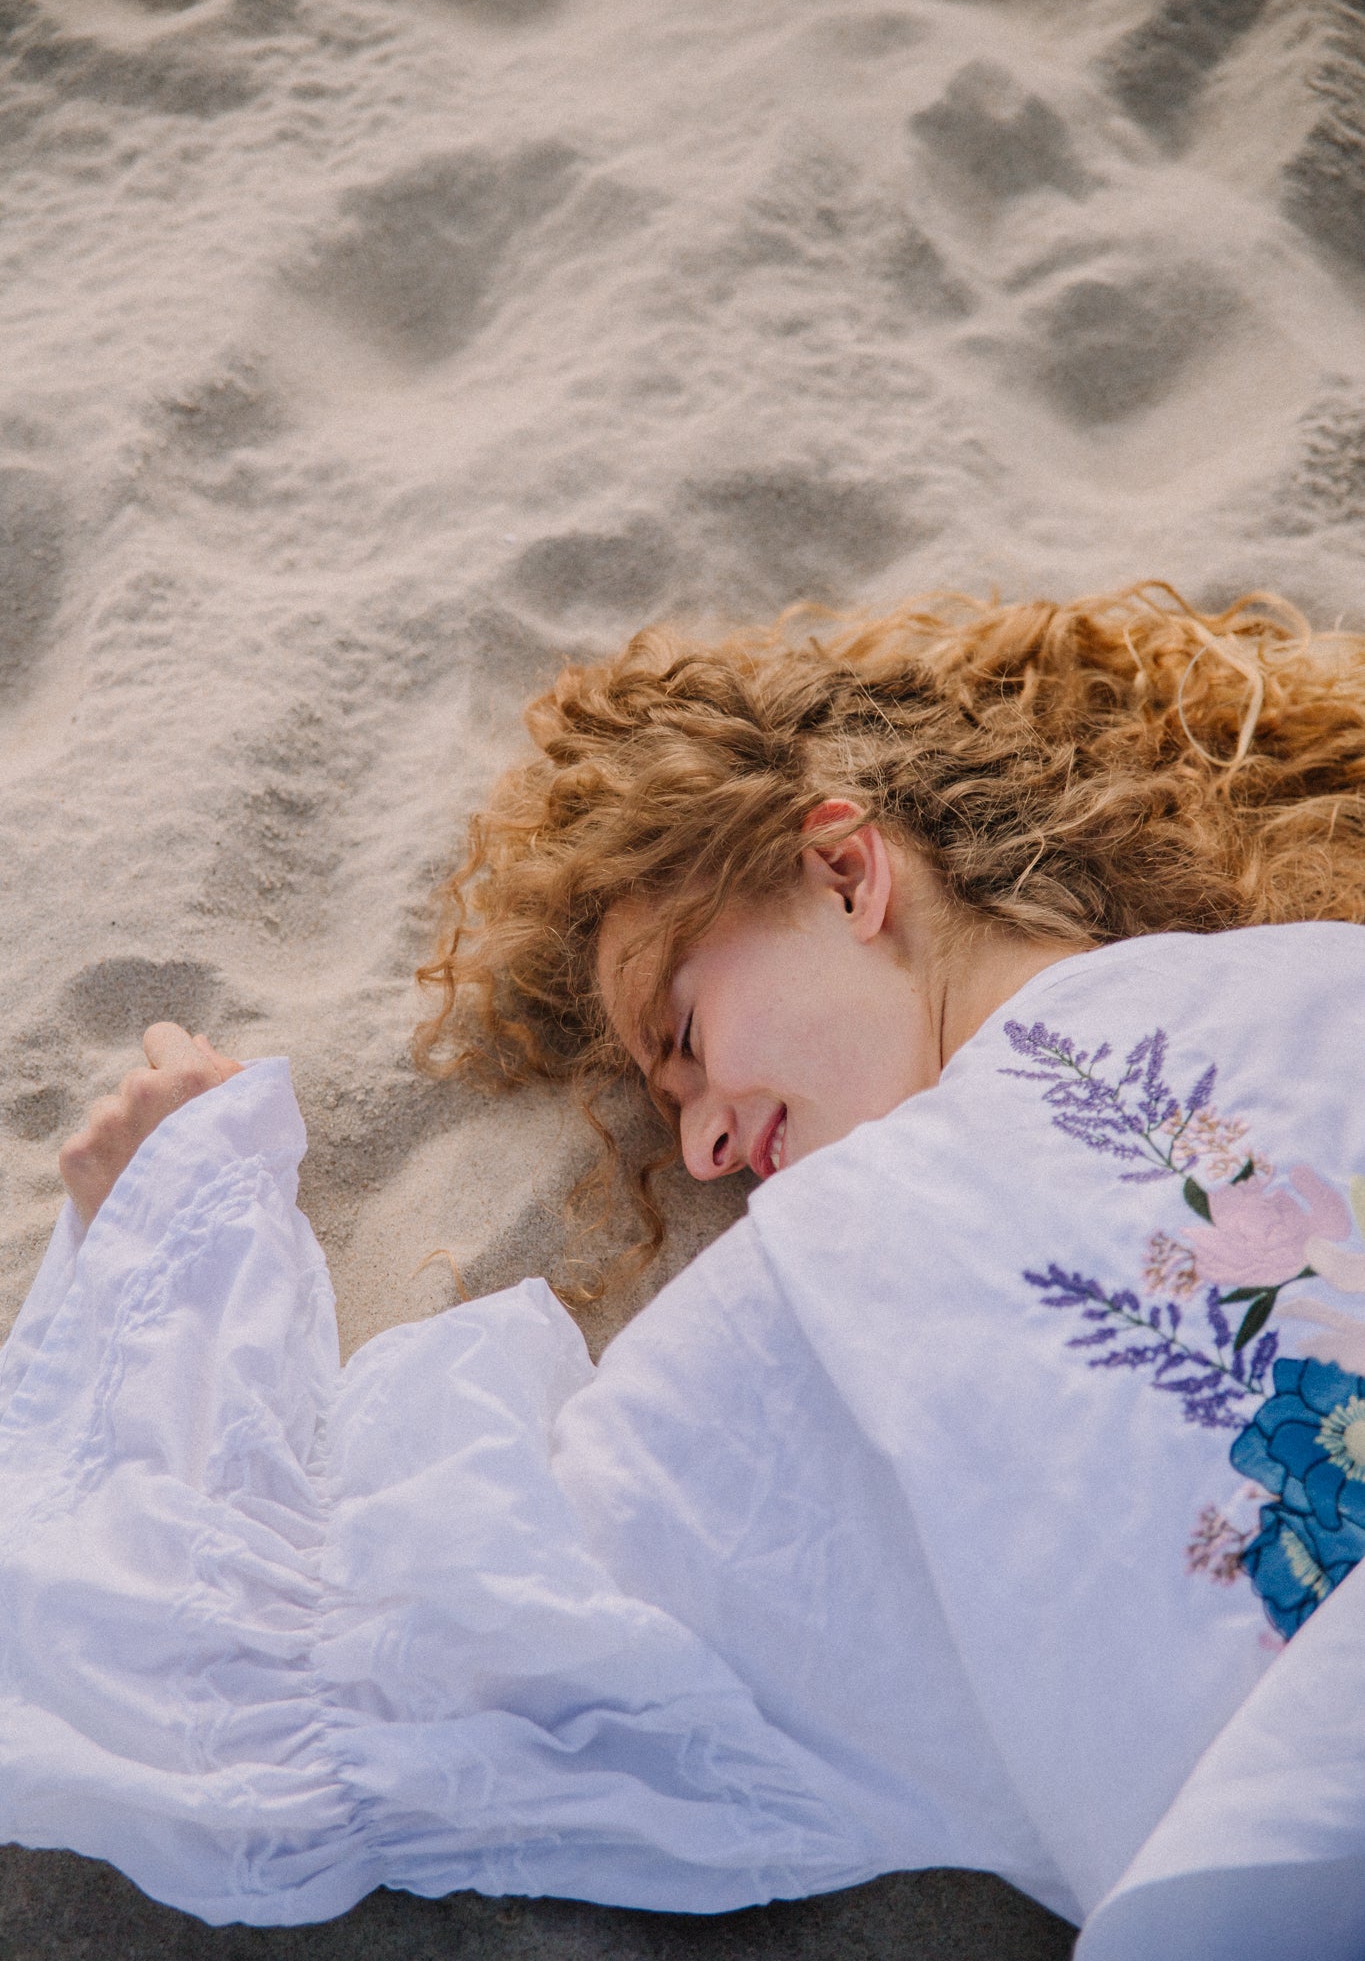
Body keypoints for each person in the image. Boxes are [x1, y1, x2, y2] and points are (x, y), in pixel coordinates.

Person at [10, 585, 1365, 1961]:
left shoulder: (878, 1228)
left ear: (844, 871)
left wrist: (179, 1246)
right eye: (673, 1114)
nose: (709, 1145)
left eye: (685, 1033)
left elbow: (366, 1657)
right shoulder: (1310, 988)